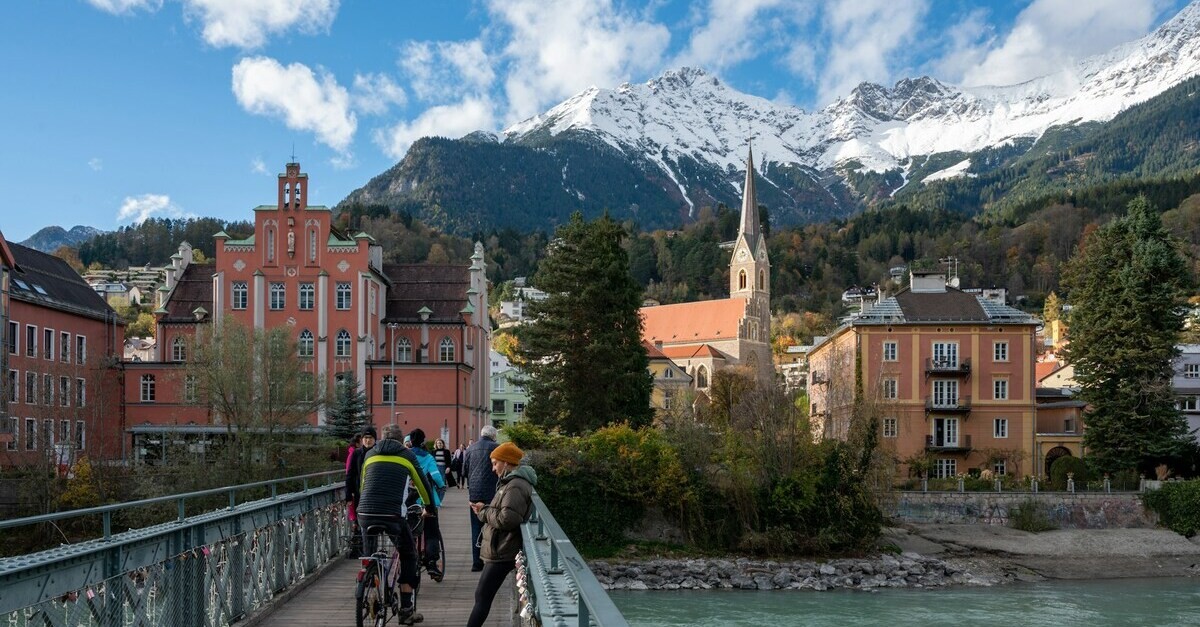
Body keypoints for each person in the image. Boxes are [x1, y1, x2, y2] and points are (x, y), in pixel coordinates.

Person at [356, 425, 436, 625]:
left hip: (364, 512)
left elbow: (363, 484)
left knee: (369, 553)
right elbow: (422, 484)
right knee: (409, 555)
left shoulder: (370, 454)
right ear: (401, 441)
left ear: (381, 438)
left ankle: (371, 581)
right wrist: (429, 508)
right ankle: (406, 610)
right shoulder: (406, 455)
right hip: (392, 514)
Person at [467, 442, 537, 627]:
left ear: (506, 463)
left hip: (503, 549)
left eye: (495, 463)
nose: (493, 468)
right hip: (502, 547)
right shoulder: (513, 483)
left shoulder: (514, 486)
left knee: (482, 596)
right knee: (482, 596)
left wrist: (483, 512)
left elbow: (508, 519)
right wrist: (486, 509)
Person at [406, 428, 446, 581]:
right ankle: (431, 563)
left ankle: (410, 559)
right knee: (432, 532)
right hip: (426, 500)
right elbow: (435, 476)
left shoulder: (407, 455)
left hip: (409, 500)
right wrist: (441, 485)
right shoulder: (428, 457)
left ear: (410, 442)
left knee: (410, 531)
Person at [462, 426, 499, 571]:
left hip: (474, 495)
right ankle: (491, 561)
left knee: (476, 528)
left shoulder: (471, 448)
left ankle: (476, 563)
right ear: (493, 436)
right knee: (493, 526)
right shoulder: (497, 449)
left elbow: (464, 470)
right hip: (492, 494)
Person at [344, 428, 376, 558]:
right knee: (360, 522)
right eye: (365, 438)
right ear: (362, 440)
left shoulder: (377, 453)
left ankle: (371, 551)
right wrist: (348, 495)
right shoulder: (357, 454)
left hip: (374, 494)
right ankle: (364, 550)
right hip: (359, 494)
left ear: (375, 440)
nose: (368, 441)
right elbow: (350, 474)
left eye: (370, 438)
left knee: (373, 524)